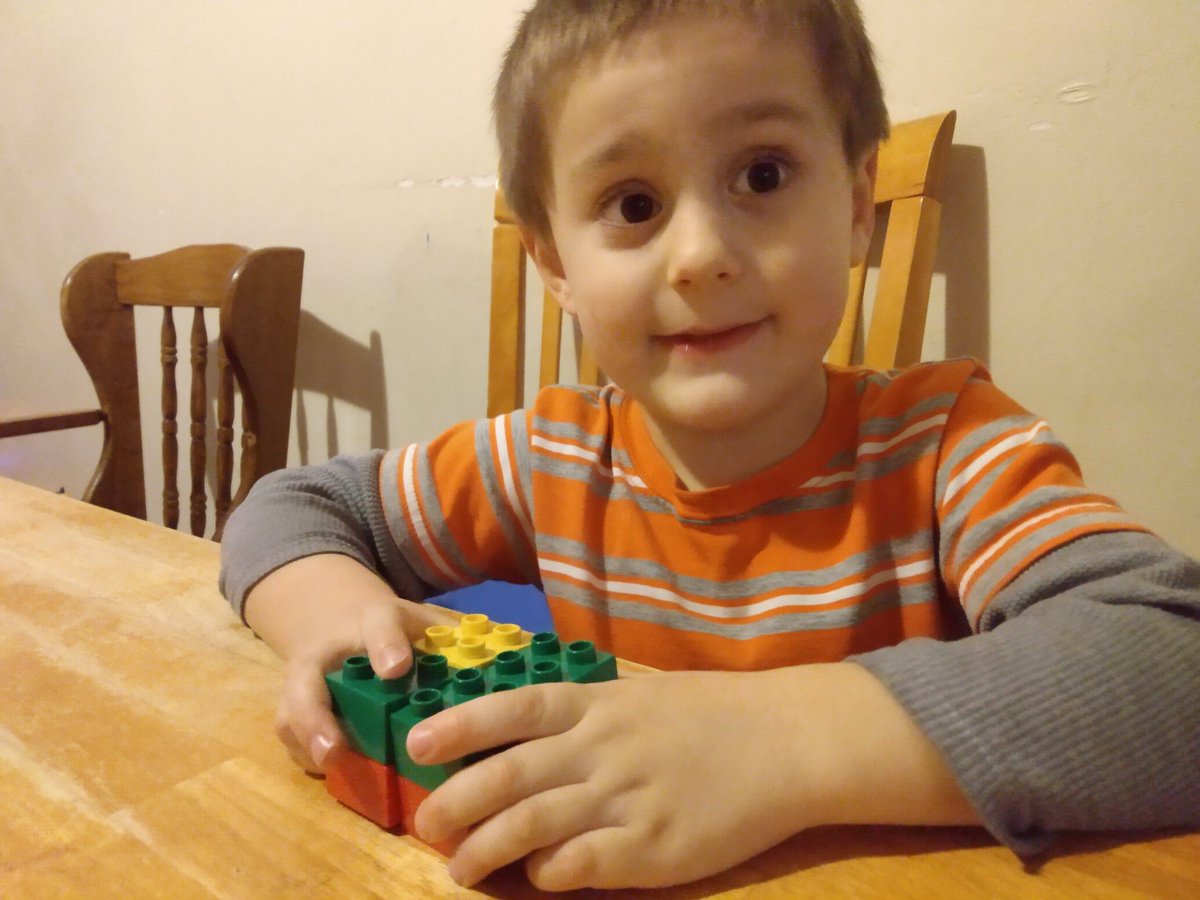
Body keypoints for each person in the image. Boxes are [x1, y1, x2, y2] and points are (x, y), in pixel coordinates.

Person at [220, 0, 1200, 891]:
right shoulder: (553, 458)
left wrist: (777, 744)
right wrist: (331, 614)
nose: (701, 255)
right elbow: (295, 504)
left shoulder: (946, 446)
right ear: (555, 262)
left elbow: (1175, 662)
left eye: (762, 175)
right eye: (634, 205)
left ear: (857, 205)